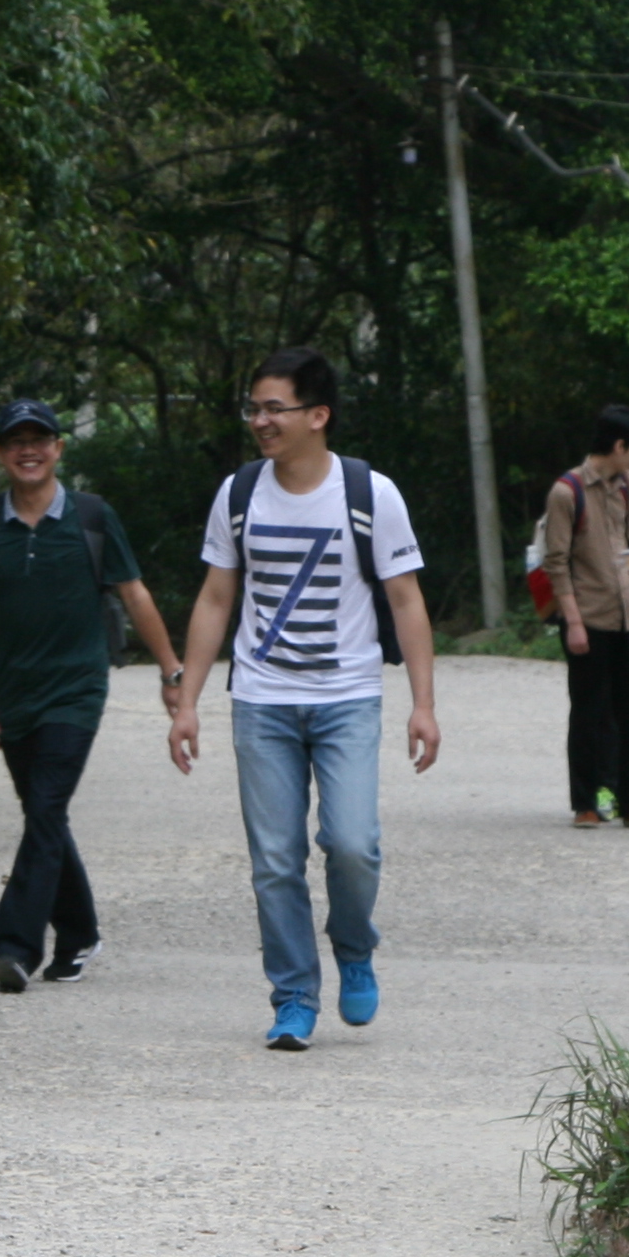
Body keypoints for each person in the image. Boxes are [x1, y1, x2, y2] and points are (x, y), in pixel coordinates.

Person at [166, 347, 440, 1051]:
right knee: (275, 860)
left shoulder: (371, 494)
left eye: (274, 409)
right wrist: (187, 701)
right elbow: (216, 597)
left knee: (353, 844)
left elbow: (405, 600)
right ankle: (293, 995)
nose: (260, 421)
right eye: (253, 408)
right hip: (262, 699)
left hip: (347, 695)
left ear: (317, 415)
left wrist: (423, 704)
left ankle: (353, 945)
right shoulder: (239, 494)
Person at [0, 398, 181, 993]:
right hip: (12, 694)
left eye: (39, 440)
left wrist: (171, 671)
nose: (29, 450)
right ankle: (79, 934)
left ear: (58, 449)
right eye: (16, 441)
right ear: (1, 453)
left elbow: (134, 593)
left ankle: (14, 946)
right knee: (43, 815)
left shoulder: (92, 517)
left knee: (46, 809)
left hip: (77, 690)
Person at [542, 406, 629, 832]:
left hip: (627, 613)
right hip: (587, 616)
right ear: (619, 446)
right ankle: (585, 802)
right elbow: (557, 562)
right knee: (589, 711)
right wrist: (573, 622)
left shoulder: (628, 485)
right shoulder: (566, 492)